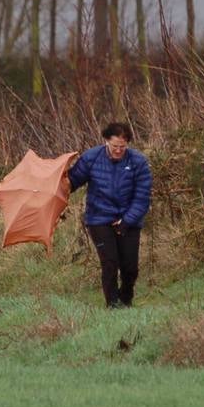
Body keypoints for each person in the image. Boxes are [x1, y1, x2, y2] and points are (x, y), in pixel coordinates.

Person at [67, 122, 153, 309]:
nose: (118, 150)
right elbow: (71, 183)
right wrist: (54, 184)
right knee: (110, 263)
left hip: (129, 219)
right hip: (99, 219)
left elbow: (142, 197)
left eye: (123, 147)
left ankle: (126, 299)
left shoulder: (138, 162)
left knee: (130, 268)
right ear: (106, 141)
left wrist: (127, 220)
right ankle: (112, 305)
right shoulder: (91, 158)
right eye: (115, 146)